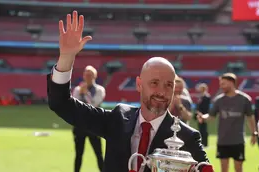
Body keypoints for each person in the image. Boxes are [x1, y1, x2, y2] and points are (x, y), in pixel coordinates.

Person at [47, 11, 213, 172]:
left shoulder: (187, 137)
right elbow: (61, 103)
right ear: (139, 84)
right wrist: (66, 58)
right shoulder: (118, 118)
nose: (162, 92)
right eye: (154, 83)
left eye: (168, 85)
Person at [197, 73, 257, 172]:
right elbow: (211, 117)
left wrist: (254, 133)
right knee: (224, 169)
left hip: (238, 141)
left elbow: (250, 117)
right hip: (223, 141)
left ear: (231, 83)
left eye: (223, 84)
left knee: (238, 169)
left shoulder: (244, 99)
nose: (221, 86)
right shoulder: (219, 100)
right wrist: (203, 117)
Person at [72, 65, 105, 172]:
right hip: (80, 125)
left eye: (90, 75)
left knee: (99, 154)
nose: (87, 77)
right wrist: (82, 93)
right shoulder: (77, 89)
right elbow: (75, 105)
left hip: (94, 126)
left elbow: (94, 105)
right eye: (86, 75)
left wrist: (86, 94)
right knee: (78, 154)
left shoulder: (99, 90)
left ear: (94, 76)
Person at [195, 83, 211, 147]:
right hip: (199, 115)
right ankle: (202, 142)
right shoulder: (201, 96)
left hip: (203, 115)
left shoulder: (206, 96)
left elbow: (205, 107)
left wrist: (201, 115)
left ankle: (205, 143)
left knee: (203, 129)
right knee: (201, 129)